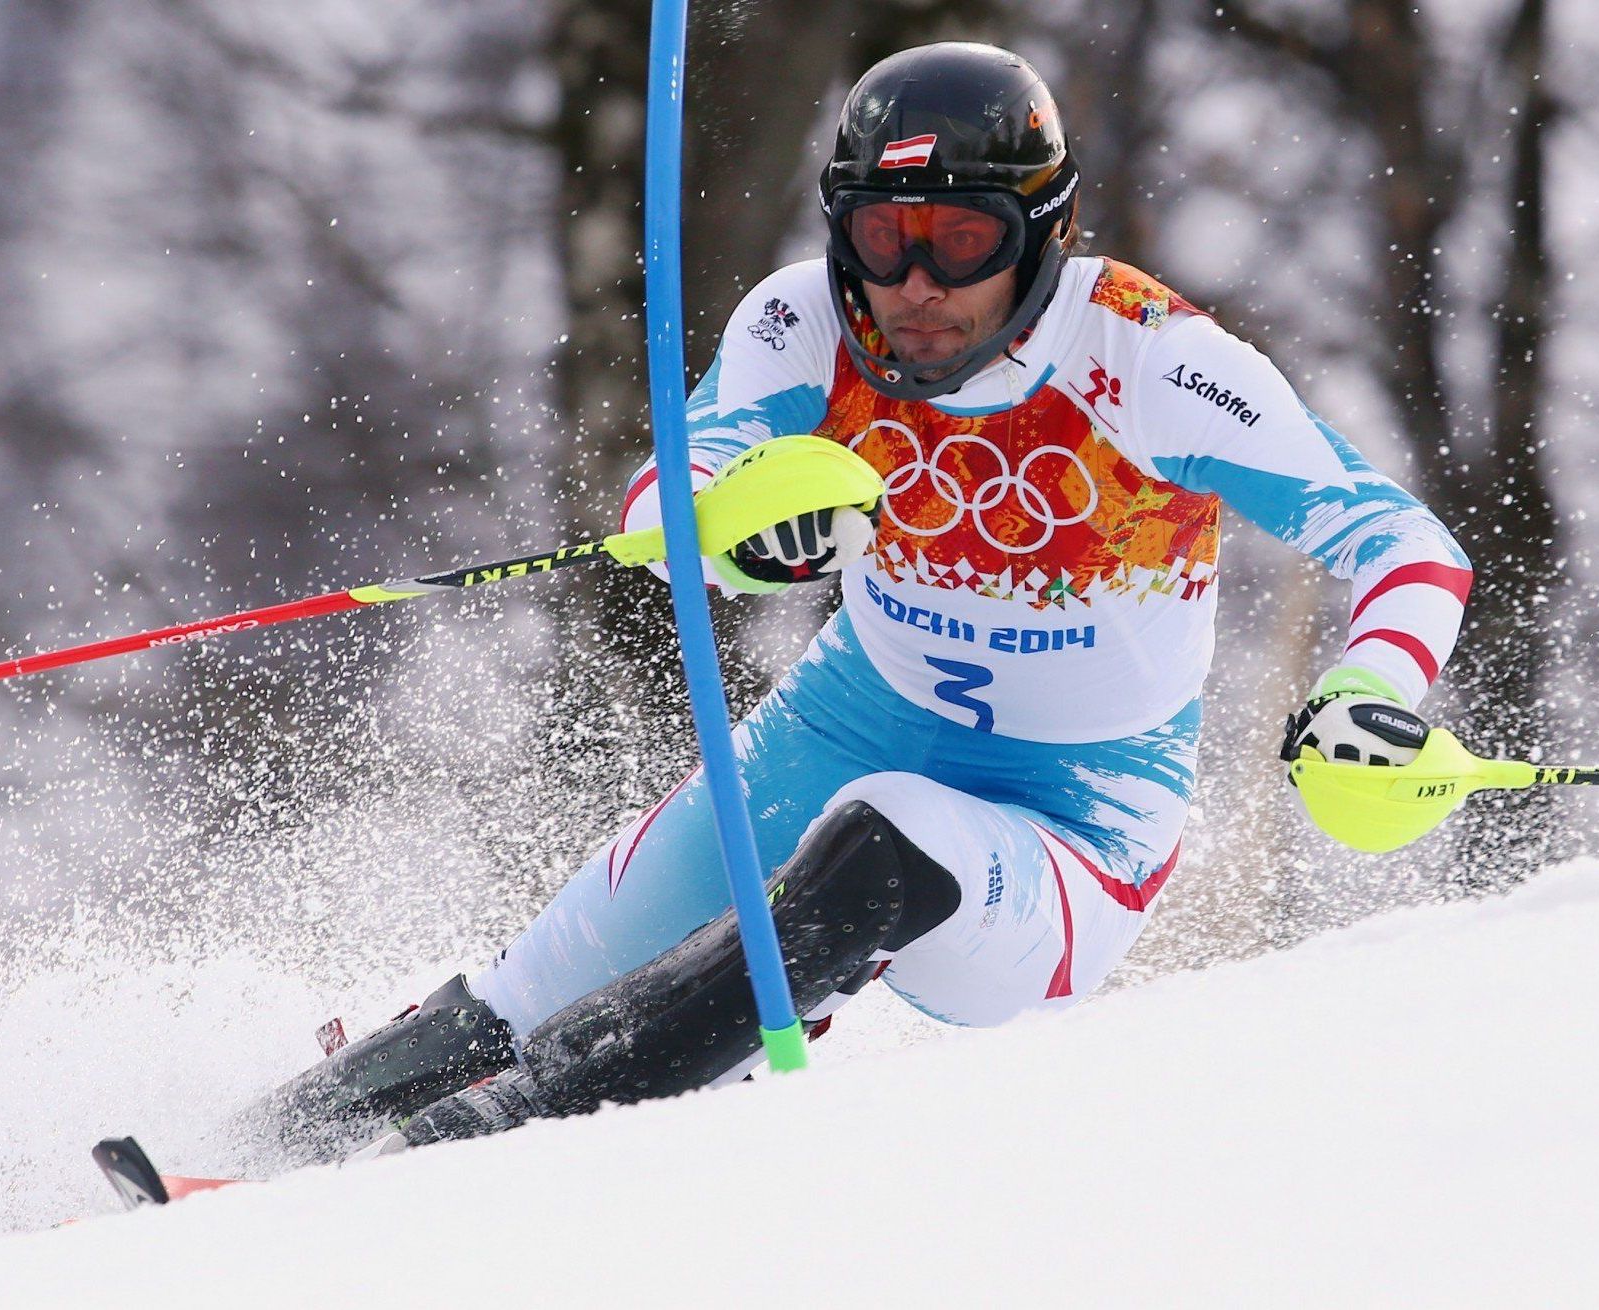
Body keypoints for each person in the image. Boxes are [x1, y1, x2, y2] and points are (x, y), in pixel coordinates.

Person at [237, 41, 1472, 1164]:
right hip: (841, 726)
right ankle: (248, 1154)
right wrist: (726, 529)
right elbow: (667, 494)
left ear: (1043, 234)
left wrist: (1374, 685)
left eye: (963, 240)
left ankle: (463, 1150)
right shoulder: (802, 322)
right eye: (884, 240)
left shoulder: (1153, 361)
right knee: (537, 981)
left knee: (881, 842)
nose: (918, 284)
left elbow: (1402, 541)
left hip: (1073, 824)